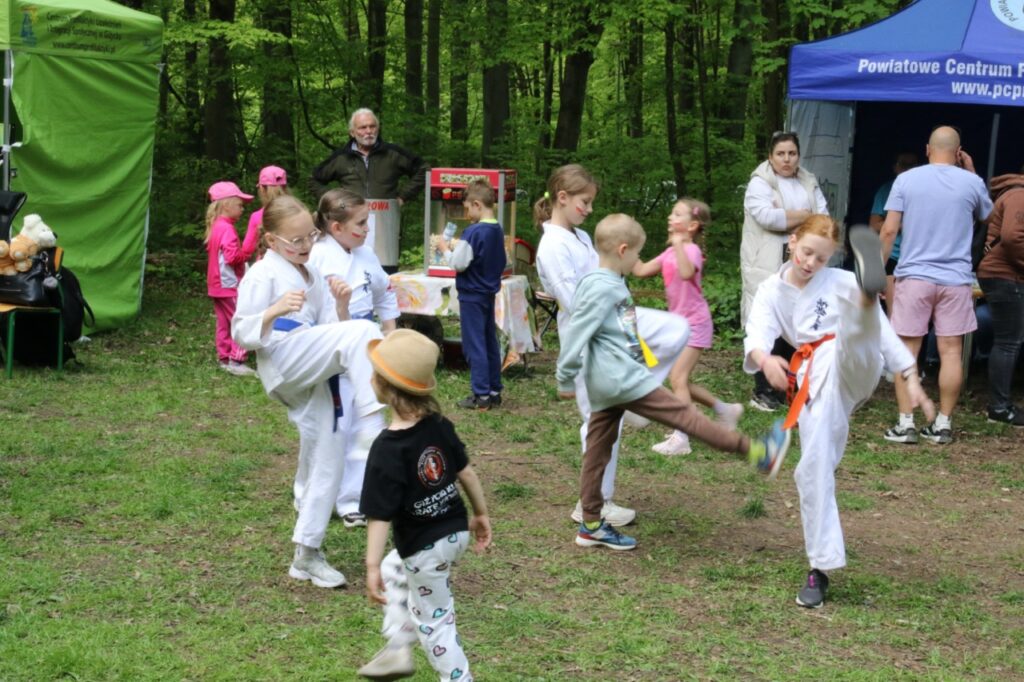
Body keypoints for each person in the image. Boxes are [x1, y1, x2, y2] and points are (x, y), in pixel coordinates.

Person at [556, 213, 791, 551]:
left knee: (597, 450)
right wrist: (564, 375)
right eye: (637, 254)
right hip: (623, 381)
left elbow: (618, 332)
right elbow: (578, 330)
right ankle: (757, 452)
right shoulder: (602, 286)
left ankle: (591, 523)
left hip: (608, 383)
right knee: (688, 418)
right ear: (623, 250)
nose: (638, 260)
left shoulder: (603, 282)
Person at [745, 218, 935, 607]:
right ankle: (820, 567)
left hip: (854, 363)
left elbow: (886, 336)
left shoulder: (841, 281)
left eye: (822, 257)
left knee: (850, 333)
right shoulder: (769, 290)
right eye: (807, 252)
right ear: (791, 242)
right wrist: (765, 360)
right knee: (813, 465)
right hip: (814, 380)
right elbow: (757, 335)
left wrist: (911, 377)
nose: (812, 262)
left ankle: (865, 303)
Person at [232, 194, 385, 588]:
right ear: (270, 241)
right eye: (295, 241)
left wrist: (342, 304)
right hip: (282, 359)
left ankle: (307, 553)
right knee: (367, 332)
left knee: (328, 452)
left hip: (313, 365)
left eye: (309, 238)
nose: (304, 247)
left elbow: (333, 334)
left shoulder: (312, 275)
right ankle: (376, 421)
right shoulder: (262, 275)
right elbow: (240, 333)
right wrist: (274, 310)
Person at [534, 164, 688, 528]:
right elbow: (575, 301)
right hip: (590, 341)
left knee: (675, 331)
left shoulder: (582, 237)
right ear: (562, 198)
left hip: (615, 323)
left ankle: (635, 396)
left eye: (590, 203)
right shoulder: (551, 246)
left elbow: (605, 275)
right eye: (584, 202)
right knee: (599, 424)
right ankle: (592, 504)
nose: (588, 209)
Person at [356, 329, 491, 682]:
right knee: (394, 568)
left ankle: (458, 678)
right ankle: (399, 648)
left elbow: (379, 515)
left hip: (423, 548)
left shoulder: (387, 449)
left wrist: (369, 565)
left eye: (374, 373)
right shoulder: (438, 425)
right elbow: (467, 474)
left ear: (386, 387)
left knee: (436, 621)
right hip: (455, 532)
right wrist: (480, 514)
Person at [879, 126, 993, 445]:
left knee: (907, 351)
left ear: (928, 149)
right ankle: (942, 424)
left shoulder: (906, 180)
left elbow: (888, 231)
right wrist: (972, 173)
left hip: (914, 275)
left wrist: (876, 270)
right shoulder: (971, 182)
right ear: (958, 153)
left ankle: (906, 424)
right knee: (952, 351)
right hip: (956, 280)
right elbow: (987, 215)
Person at [308, 188, 400, 528]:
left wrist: (392, 336)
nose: (367, 229)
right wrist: (342, 308)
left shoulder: (365, 254)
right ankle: (317, 494)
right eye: (361, 223)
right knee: (337, 425)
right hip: (331, 348)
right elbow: (315, 316)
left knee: (370, 421)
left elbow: (384, 293)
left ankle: (356, 498)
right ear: (336, 228)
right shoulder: (316, 258)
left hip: (369, 346)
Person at [632, 198, 744, 455]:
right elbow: (640, 270)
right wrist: (624, 248)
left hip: (695, 324)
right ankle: (725, 409)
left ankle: (681, 438)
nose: (671, 217)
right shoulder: (669, 252)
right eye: (672, 212)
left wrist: (680, 244)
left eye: (677, 214)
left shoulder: (690, 251)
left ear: (692, 225)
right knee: (681, 381)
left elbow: (685, 272)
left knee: (678, 379)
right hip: (677, 326)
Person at [741, 131, 829, 412]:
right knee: (765, 321)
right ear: (770, 156)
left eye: (792, 153)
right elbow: (768, 217)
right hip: (765, 262)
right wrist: (805, 216)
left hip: (799, 263)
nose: (787, 159)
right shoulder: (760, 182)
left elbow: (824, 218)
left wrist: (789, 215)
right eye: (780, 153)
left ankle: (788, 385)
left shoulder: (808, 180)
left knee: (796, 319)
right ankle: (763, 389)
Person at [440, 177, 506, 410]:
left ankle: (481, 395)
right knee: (489, 341)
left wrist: (444, 249)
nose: (467, 213)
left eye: (467, 208)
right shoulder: (497, 230)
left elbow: (459, 264)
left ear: (477, 204)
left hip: (471, 295)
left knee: (474, 344)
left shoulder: (473, 232)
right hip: (488, 293)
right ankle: (494, 389)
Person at [977, 167, 1024, 426]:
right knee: (1009, 341)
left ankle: (1001, 404)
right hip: (1006, 275)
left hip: (1005, 274)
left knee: (1010, 340)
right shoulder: (1019, 194)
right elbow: (1012, 237)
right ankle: (999, 408)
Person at [309, 108, 427, 205]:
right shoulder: (341, 157)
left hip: (386, 220)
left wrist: (403, 197)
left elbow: (424, 169)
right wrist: (333, 201)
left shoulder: (393, 153)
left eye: (372, 126)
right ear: (352, 133)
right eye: (363, 127)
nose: (369, 131)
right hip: (350, 221)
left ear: (378, 128)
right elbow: (313, 179)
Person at [205, 180, 259, 376]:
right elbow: (231, 257)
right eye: (239, 205)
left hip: (215, 285)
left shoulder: (216, 226)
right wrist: (245, 253)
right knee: (241, 319)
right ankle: (237, 359)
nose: (242, 209)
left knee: (223, 322)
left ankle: (224, 357)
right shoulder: (227, 228)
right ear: (226, 205)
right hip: (228, 285)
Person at [869, 152, 920, 318]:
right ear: (895, 167)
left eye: (911, 166)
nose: (907, 170)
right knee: (894, 315)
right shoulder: (886, 190)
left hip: (917, 258)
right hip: (892, 257)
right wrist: (900, 224)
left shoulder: (924, 191)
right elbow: (874, 226)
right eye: (903, 165)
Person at [249, 165, 291, 258]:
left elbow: (247, 248)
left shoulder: (256, 216)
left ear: (262, 189)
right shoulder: (293, 211)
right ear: (285, 188)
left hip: (265, 265)